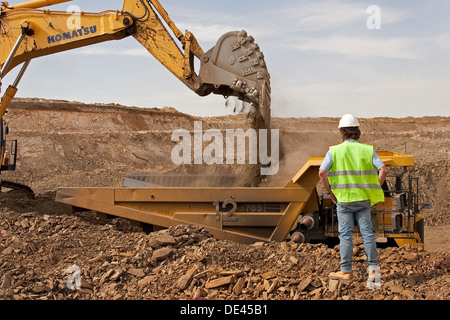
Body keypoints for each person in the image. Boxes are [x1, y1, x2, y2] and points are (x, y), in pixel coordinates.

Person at [318, 114, 388, 284]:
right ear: (357, 132)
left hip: (343, 200)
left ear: (342, 132)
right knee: (368, 235)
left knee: (345, 235)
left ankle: (346, 271)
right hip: (363, 199)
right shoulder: (367, 150)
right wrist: (375, 187)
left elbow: (321, 172)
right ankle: (373, 272)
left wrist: (330, 193)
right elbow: (383, 170)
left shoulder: (334, 151)